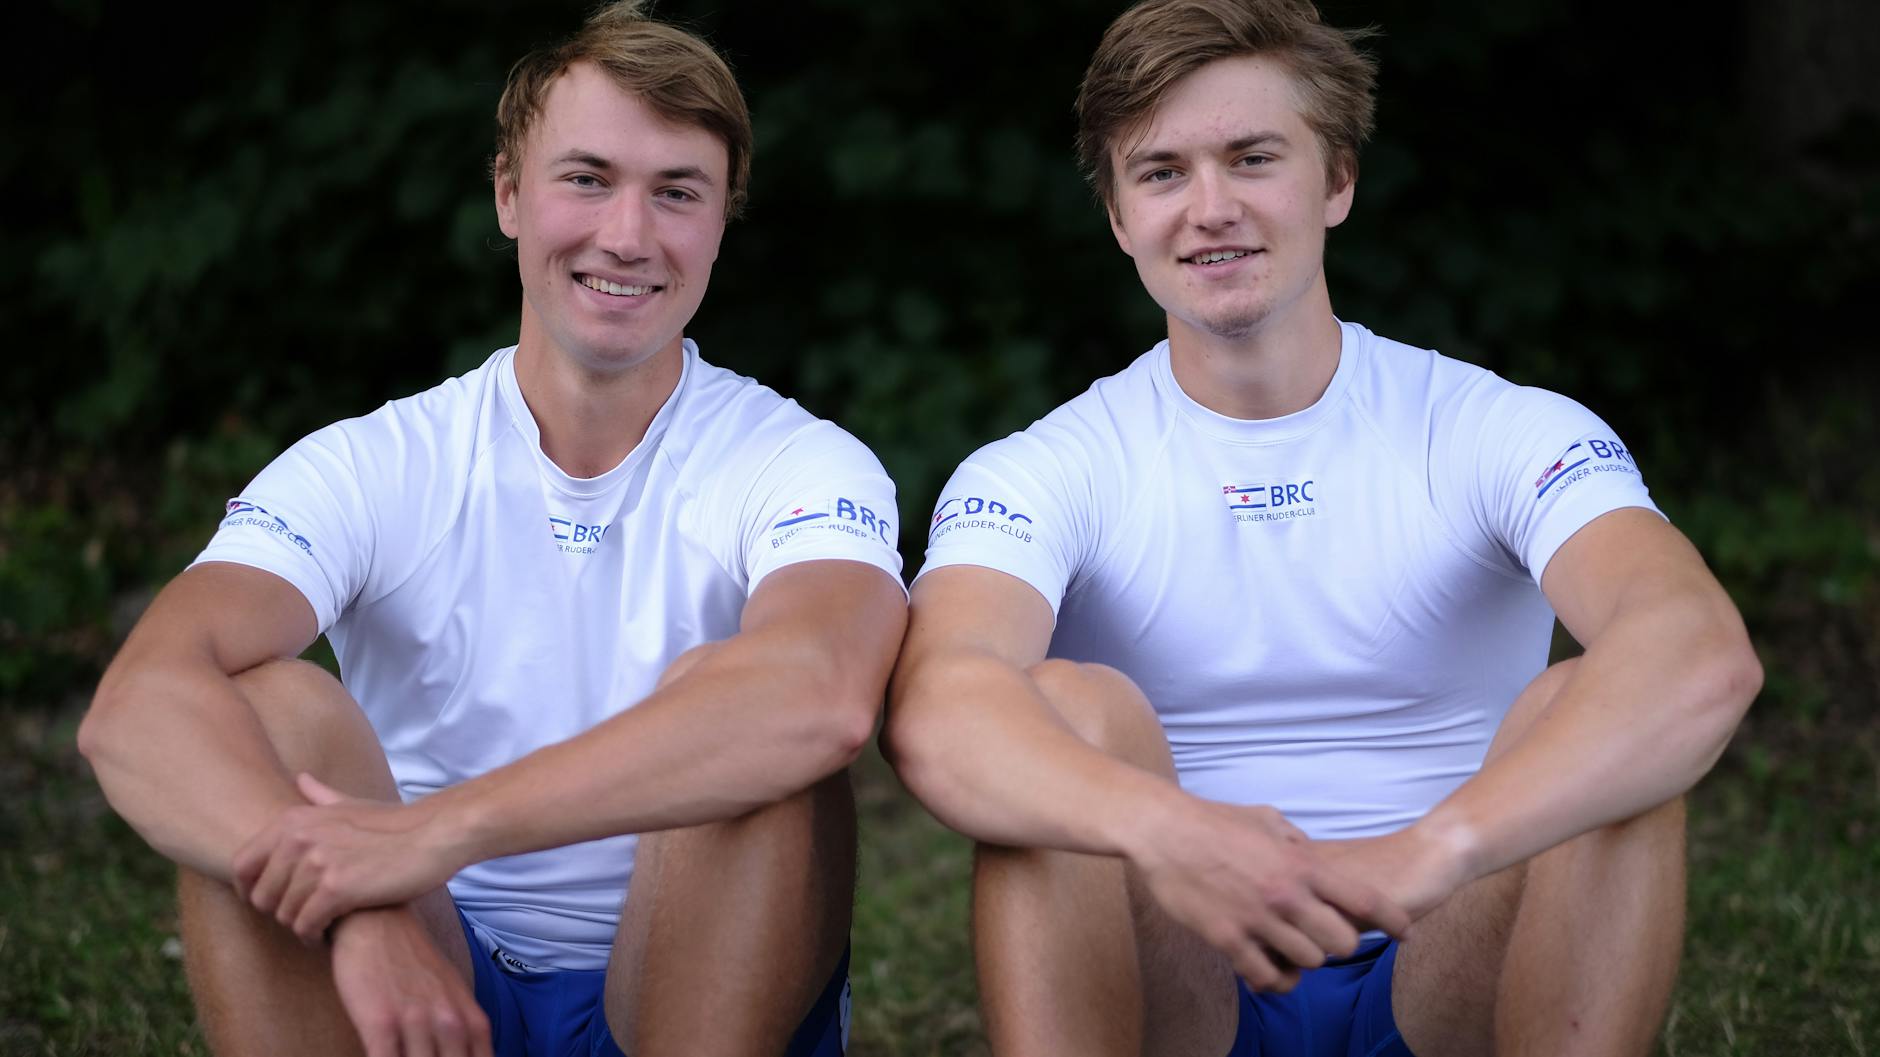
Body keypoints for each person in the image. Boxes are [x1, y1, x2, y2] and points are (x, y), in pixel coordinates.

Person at [881, 0, 1761, 1054]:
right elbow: (937, 711)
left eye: (1252, 159)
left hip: (1447, 951)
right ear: (1117, 216)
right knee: (1061, 712)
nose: (1210, 209)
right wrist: (1173, 835)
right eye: (1161, 173)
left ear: (1337, 180)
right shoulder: (1040, 469)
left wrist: (1429, 851)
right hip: (1183, 972)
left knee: (1601, 707)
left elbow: (1697, 653)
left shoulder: (1494, 426)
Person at [78, 4, 907, 1055]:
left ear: (720, 220)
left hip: (680, 982)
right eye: (587, 178)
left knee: (754, 720)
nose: (628, 235)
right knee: (272, 706)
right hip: (425, 967)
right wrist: (354, 901)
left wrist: (434, 833)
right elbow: (136, 707)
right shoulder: (374, 461)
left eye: (676, 192)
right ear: (509, 193)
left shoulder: (803, 462)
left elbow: (824, 698)